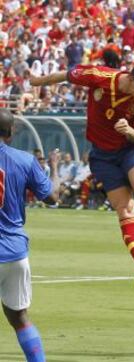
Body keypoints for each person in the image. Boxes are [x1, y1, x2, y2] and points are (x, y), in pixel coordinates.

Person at [30, 62, 134, 289]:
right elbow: (65, 75)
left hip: (130, 150)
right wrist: (36, 81)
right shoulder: (99, 76)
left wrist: (131, 132)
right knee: (125, 210)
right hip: (102, 156)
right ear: (131, 80)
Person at [0, 108, 58, 362]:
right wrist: (54, 168)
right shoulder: (24, 159)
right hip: (14, 252)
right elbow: (53, 198)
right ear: (11, 133)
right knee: (19, 318)